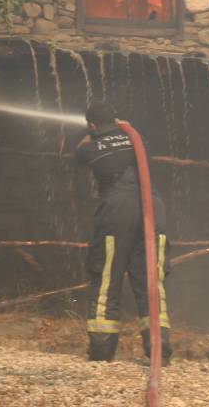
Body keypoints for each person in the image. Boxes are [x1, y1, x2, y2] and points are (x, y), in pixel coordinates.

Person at [75, 101, 172, 363]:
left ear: (92, 125)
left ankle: (102, 349)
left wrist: (92, 134)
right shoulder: (138, 140)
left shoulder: (91, 147)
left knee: (107, 275)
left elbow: (78, 153)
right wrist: (124, 129)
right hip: (151, 207)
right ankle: (159, 347)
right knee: (151, 277)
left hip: (117, 211)